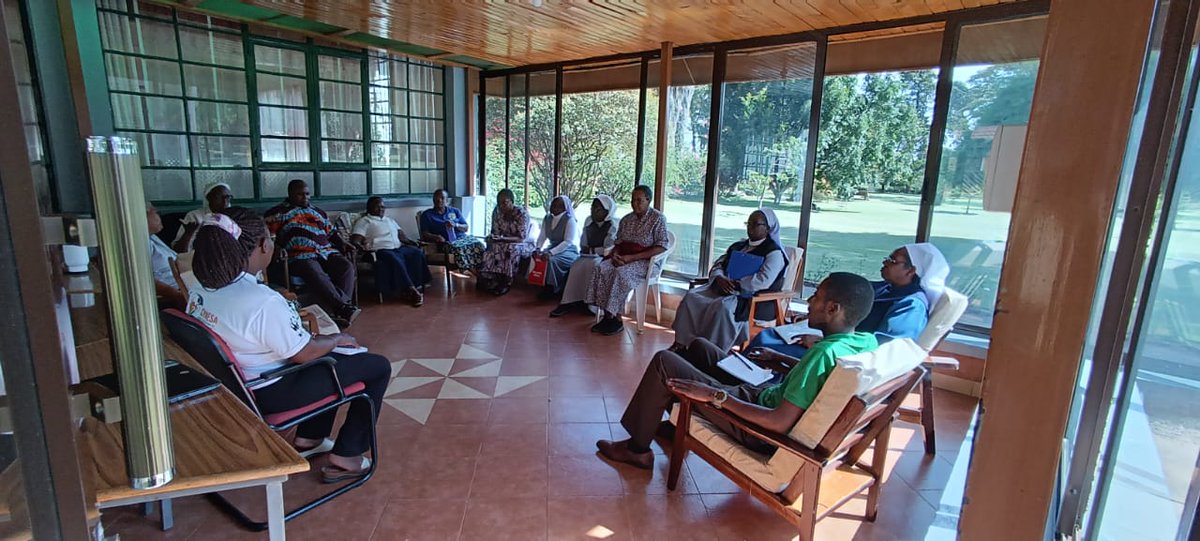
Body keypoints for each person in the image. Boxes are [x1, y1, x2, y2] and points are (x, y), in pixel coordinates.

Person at [596, 272, 879, 469]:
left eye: (816, 296)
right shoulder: (863, 341)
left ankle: (637, 450)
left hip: (756, 424)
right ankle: (674, 427)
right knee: (699, 346)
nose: (809, 301)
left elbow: (779, 422)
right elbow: (819, 380)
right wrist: (782, 360)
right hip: (763, 393)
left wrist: (715, 396)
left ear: (832, 308)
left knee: (664, 362)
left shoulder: (822, 353)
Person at [187, 208, 389, 483]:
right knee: (375, 366)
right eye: (270, 238)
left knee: (332, 359)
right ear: (261, 246)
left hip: (238, 386)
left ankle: (309, 439)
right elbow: (304, 354)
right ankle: (348, 454)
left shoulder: (201, 287)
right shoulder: (260, 301)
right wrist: (337, 339)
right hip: (272, 390)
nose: (272, 243)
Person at [748, 243, 950, 367]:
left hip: (839, 353)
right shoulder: (886, 288)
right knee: (768, 335)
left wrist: (820, 341)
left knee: (768, 343)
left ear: (910, 271)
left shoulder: (911, 305)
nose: (885, 262)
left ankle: (759, 384)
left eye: (892, 260)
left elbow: (884, 349)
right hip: (833, 337)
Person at [670, 209, 789, 352]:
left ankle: (711, 351)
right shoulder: (738, 246)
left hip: (747, 296)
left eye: (755, 224)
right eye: (748, 223)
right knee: (692, 297)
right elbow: (718, 265)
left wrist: (736, 284)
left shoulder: (774, 253)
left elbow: (763, 280)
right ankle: (682, 343)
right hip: (722, 288)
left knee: (722, 308)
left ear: (768, 228)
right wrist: (719, 277)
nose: (750, 227)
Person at [264, 179, 360, 326]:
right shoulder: (277, 213)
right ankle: (343, 308)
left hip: (326, 252)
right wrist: (277, 249)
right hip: (299, 255)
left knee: (346, 267)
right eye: (300, 194)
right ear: (290, 194)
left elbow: (332, 233)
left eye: (307, 194)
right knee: (313, 268)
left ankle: (340, 309)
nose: (305, 197)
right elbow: (269, 238)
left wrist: (343, 243)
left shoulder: (318, 212)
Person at [585, 185, 669, 336]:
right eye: (632, 200)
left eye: (639, 200)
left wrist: (632, 258)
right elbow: (619, 243)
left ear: (648, 200)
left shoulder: (657, 219)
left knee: (620, 274)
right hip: (624, 257)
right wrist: (616, 256)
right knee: (602, 268)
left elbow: (662, 246)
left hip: (645, 261)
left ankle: (617, 319)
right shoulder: (626, 220)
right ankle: (607, 315)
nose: (635, 203)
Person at [350, 196, 431, 307]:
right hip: (379, 251)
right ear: (369, 208)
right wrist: (360, 246)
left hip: (397, 248)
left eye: (383, 207)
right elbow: (355, 239)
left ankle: (419, 284)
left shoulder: (390, 220)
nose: (381, 209)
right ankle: (411, 290)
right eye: (377, 207)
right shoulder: (364, 221)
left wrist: (413, 243)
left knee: (416, 253)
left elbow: (402, 237)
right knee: (394, 258)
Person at [549, 194, 618, 317]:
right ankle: (569, 301)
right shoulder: (589, 221)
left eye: (598, 209)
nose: (594, 211)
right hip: (588, 255)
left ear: (607, 211)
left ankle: (591, 305)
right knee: (576, 266)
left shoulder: (612, 225)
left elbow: (608, 247)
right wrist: (587, 249)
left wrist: (593, 250)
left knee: (594, 266)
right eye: (592, 207)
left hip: (604, 257)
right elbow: (583, 242)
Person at [478, 188, 534, 296]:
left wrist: (502, 239)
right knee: (491, 248)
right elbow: (495, 231)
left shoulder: (521, 214)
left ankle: (506, 281)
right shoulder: (497, 211)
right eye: (499, 203)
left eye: (504, 203)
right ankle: (490, 278)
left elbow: (521, 237)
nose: (501, 206)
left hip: (521, 242)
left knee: (509, 249)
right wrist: (492, 237)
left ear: (512, 201)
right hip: (502, 240)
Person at [419, 188, 485, 272]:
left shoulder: (455, 211)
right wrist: (436, 237)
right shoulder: (427, 215)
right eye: (436, 198)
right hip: (446, 242)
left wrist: (456, 225)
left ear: (446, 200)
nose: (439, 200)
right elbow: (424, 233)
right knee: (459, 249)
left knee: (479, 245)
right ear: (433, 199)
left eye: (442, 198)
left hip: (462, 238)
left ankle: (484, 273)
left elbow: (466, 227)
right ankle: (478, 275)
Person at [531, 195, 579, 300]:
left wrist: (551, 253)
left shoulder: (569, 220)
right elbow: (542, 236)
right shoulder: (547, 218)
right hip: (553, 247)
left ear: (564, 207)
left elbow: (568, 242)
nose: (555, 207)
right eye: (553, 204)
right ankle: (541, 284)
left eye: (559, 206)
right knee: (538, 256)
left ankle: (552, 289)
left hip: (568, 250)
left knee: (551, 260)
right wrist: (537, 248)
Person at [172, 182, 232, 252]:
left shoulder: (233, 217)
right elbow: (178, 250)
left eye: (227, 197)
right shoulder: (194, 216)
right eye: (218, 197)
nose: (225, 202)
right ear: (208, 198)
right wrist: (188, 233)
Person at [147, 205, 186, 309]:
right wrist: (176, 295)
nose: (159, 215)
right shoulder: (138, 244)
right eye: (155, 213)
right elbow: (145, 280)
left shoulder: (151, 237)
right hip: (175, 294)